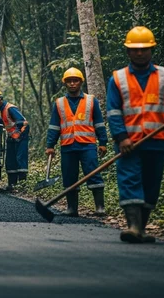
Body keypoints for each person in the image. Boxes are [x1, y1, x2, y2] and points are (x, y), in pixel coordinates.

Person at [108, 26, 164, 243]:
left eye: (144, 49)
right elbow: (113, 111)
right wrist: (122, 137)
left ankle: (142, 228)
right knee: (129, 180)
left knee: (151, 185)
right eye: (135, 49)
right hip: (128, 143)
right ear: (128, 51)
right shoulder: (118, 79)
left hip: (156, 142)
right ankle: (133, 227)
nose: (140, 53)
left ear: (152, 50)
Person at [46, 68, 108, 217]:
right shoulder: (59, 103)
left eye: (75, 80)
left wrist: (103, 142)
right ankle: (72, 208)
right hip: (68, 146)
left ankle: (100, 207)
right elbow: (54, 126)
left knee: (93, 173)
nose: (72, 83)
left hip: (87, 145)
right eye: (69, 81)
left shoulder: (90, 100)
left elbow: (99, 123)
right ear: (65, 83)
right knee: (69, 176)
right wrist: (50, 145)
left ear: (81, 82)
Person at [0, 89, 29, 191]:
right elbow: (4, 122)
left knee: (20, 160)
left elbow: (23, 122)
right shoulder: (3, 109)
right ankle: (12, 185)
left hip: (20, 138)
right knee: (10, 161)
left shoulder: (10, 108)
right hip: (12, 138)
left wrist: (18, 134)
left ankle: (22, 185)